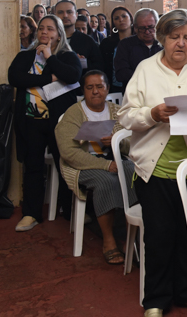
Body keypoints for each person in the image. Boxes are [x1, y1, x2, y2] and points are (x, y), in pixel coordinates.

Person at [118, 9, 187, 317]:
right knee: (159, 235)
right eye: (174, 37)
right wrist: (152, 114)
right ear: (162, 38)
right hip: (154, 169)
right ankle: (156, 299)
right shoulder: (146, 69)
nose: (181, 43)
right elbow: (126, 115)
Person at [8, 15, 82, 232]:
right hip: (31, 119)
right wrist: (48, 79)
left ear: (59, 34)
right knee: (32, 167)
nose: (44, 32)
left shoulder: (67, 56)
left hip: (59, 122)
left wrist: (49, 57)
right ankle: (31, 213)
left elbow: (72, 75)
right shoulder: (26, 56)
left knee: (64, 165)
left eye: (50, 29)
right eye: (41, 28)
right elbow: (15, 78)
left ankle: (69, 210)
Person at [55, 70, 137, 265]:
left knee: (133, 173)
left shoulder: (117, 111)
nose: (95, 91)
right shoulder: (74, 113)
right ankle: (109, 240)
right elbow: (69, 153)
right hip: (84, 164)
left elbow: (133, 144)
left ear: (107, 88)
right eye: (89, 87)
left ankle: (130, 235)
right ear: (83, 90)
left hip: (115, 159)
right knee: (105, 181)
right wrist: (105, 165)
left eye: (100, 86)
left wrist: (116, 142)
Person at [114, 8, 162, 93]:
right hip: (134, 93)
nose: (147, 32)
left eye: (151, 27)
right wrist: (148, 77)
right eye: (142, 28)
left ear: (157, 25)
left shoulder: (165, 44)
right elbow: (121, 74)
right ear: (135, 28)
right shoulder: (125, 45)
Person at [54, 0, 103, 75]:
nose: (65, 15)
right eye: (60, 12)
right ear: (55, 15)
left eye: (69, 12)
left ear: (76, 15)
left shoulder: (87, 41)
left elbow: (99, 66)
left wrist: (82, 63)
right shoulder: (48, 39)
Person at [100, 6, 133, 92]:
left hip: (135, 85)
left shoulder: (139, 41)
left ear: (131, 19)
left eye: (124, 16)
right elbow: (103, 66)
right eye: (116, 18)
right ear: (113, 23)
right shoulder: (106, 43)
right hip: (113, 87)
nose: (121, 20)